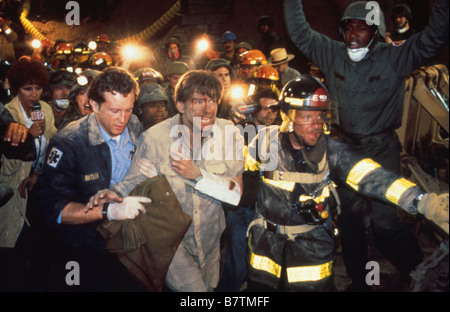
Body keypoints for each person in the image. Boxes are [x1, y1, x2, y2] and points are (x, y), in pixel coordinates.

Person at [284, 0, 449, 291]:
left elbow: (434, 36)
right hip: (347, 149)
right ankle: (360, 281)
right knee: (349, 222)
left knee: (386, 224)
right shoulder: (332, 53)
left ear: (375, 32)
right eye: (349, 28)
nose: (353, 35)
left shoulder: (394, 57)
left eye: (362, 29)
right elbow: (300, 31)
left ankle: (416, 271)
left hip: (381, 147)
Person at [245, 75, 449, 292]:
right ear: (288, 116)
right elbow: (238, 172)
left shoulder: (331, 151)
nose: (316, 125)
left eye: (320, 116)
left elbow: (372, 176)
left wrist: (422, 201)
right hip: (265, 252)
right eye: (307, 117)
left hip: (310, 256)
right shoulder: (264, 141)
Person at [89, 70, 245, 292]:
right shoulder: (155, 138)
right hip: (172, 243)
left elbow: (236, 194)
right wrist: (111, 193)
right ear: (180, 105)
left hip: (211, 241)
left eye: (212, 101)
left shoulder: (228, 132)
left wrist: (199, 176)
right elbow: (132, 181)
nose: (207, 108)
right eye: (198, 101)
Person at [36, 67, 146, 292]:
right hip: (81, 246)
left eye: (128, 109)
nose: (122, 119)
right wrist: (107, 211)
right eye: (115, 110)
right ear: (94, 105)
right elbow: (51, 208)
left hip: (125, 242)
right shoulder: (69, 142)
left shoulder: (134, 124)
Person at [0, 57, 56, 291]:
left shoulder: (43, 109)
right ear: (15, 87)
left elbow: (54, 146)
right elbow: (5, 169)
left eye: (38, 87)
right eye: (27, 88)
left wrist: (41, 172)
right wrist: (30, 137)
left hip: (38, 187)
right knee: (11, 256)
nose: (34, 94)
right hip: (13, 193)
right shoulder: (7, 114)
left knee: (39, 251)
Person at [216, 88, 279, 292]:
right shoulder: (240, 131)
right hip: (242, 208)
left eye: (274, 109)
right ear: (254, 109)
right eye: (264, 108)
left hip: (268, 211)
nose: (269, 113)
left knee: (264, 266)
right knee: (237, 263)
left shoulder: (281, 135)